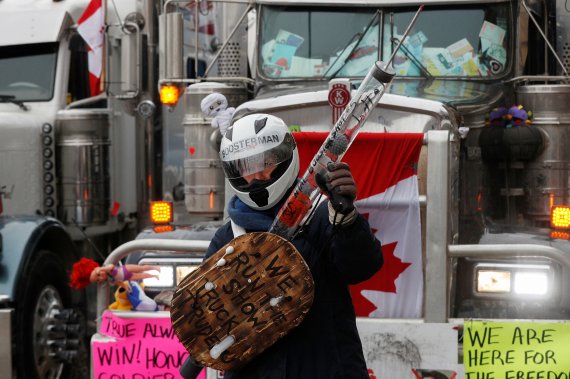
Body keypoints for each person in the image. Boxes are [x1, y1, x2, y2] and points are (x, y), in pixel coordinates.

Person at [204, 113, 383, 379]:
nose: (256, 175)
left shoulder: (322, 215)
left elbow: (362, 268)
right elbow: (209, 318)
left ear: (285, 157)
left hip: (325, 368)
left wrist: (347, 219)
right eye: (244, 167)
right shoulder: (228, 237)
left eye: (265, 162)